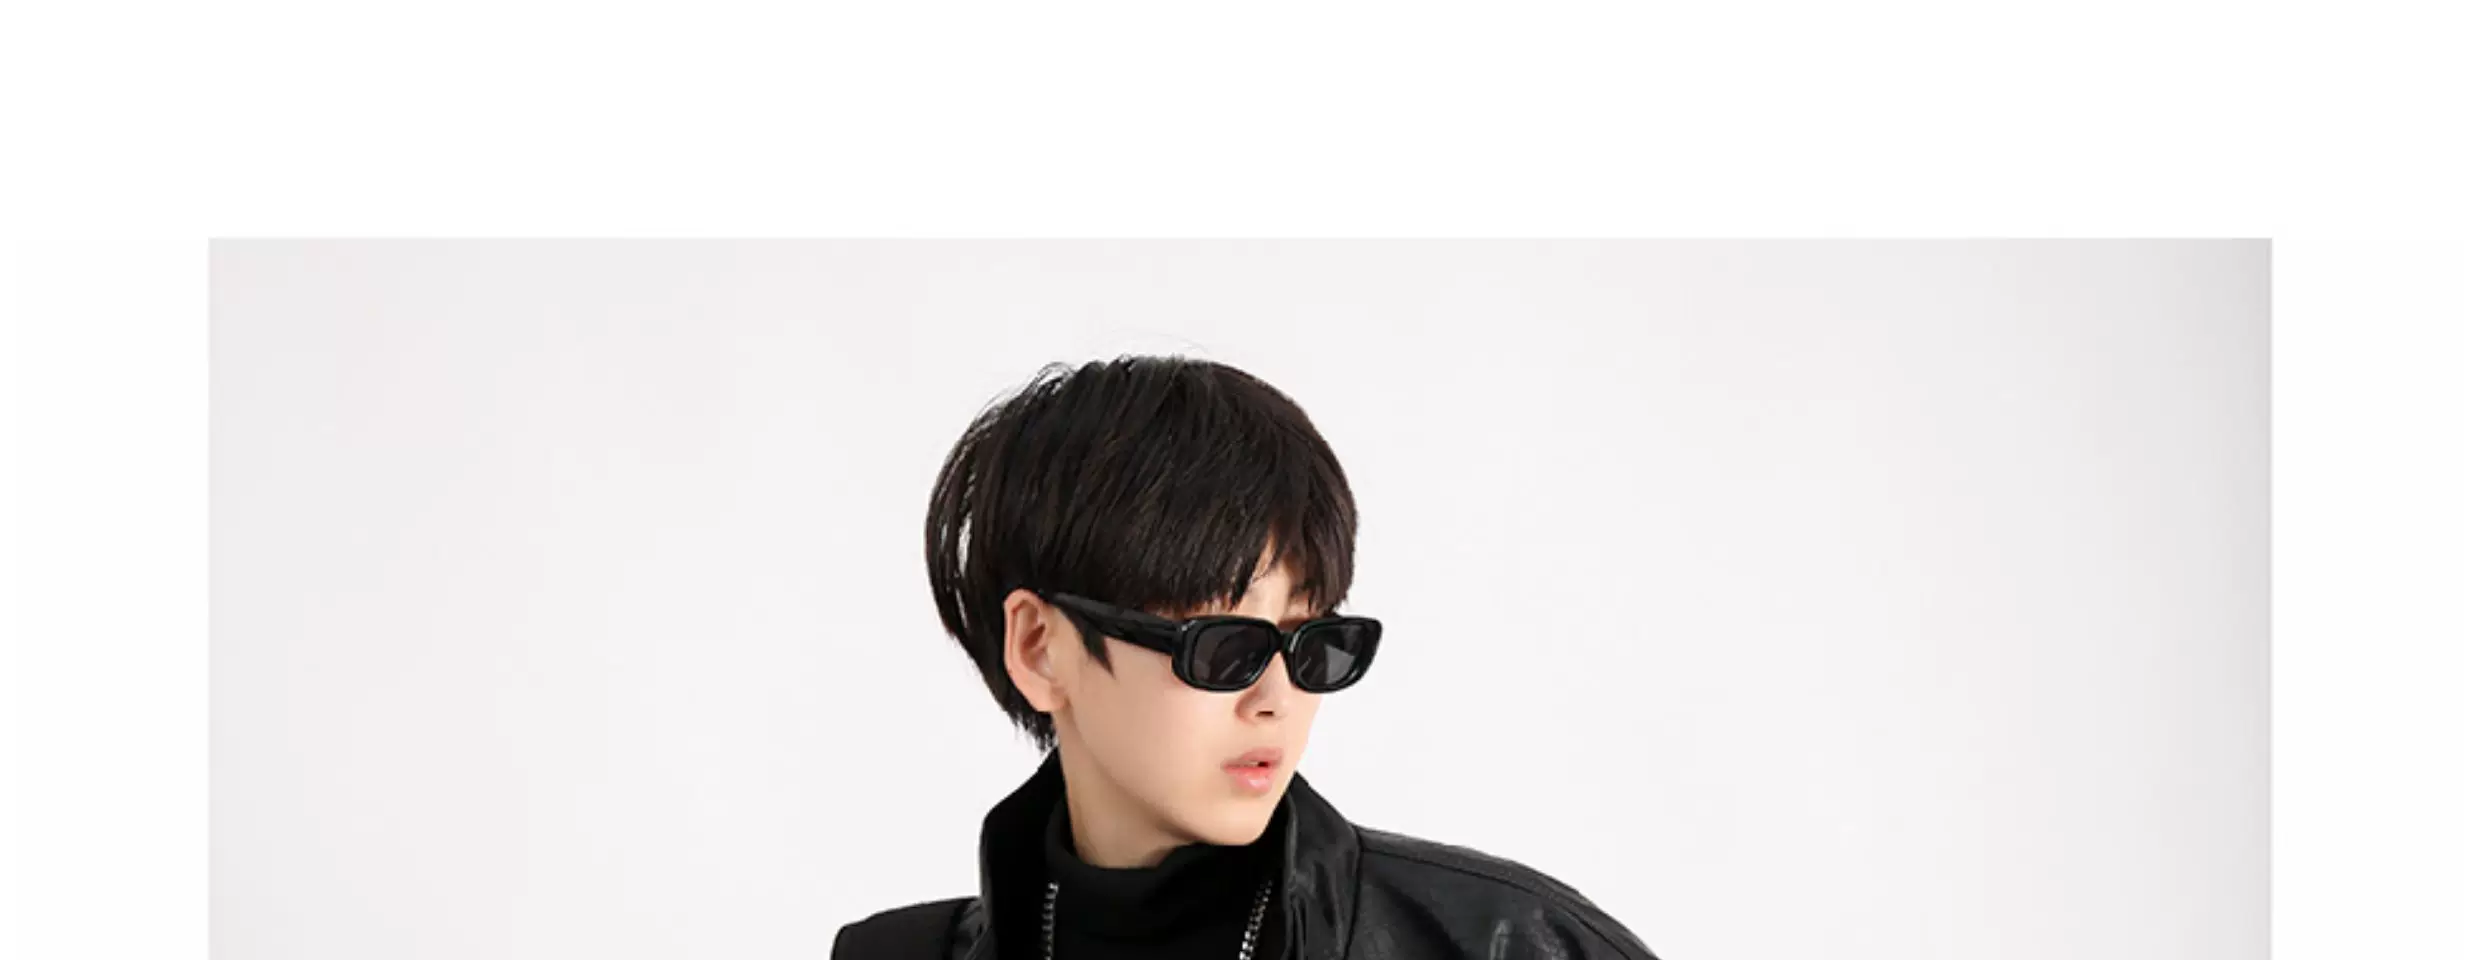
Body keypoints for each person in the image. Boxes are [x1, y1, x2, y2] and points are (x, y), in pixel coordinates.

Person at [833, 356, 1661, 960]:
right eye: (1224, 647)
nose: (1276, 699)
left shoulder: (1507, 945)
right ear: (1041, 649)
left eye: (1313, 644)